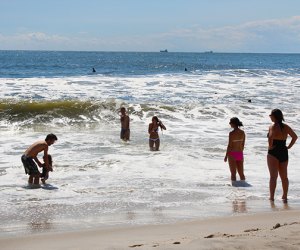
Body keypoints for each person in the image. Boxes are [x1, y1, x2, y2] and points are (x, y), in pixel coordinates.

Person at [267, 109, 297, 203]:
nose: (270, 117)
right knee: (284, 176)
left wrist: (270, 146)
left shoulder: (272, 127)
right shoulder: (286, 127)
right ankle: (285, 196)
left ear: (274, 116)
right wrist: (289, 146)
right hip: (283, 151)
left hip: (274, 152)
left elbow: (271, 138)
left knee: (273, 177)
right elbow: (295, 137)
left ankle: (272, 197)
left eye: (270, 115)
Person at [224, 117, 246, 183]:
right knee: (241, 174)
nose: (229, 123)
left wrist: (226, 156)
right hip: (239, 153)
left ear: (233, 123)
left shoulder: (231, 133)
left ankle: (234, 190)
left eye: (230, 122)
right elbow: (243, 144)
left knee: (233, 174)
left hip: (232, 153)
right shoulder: (242, 132)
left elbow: (229, 145)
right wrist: (240, 152)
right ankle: (243, 188)